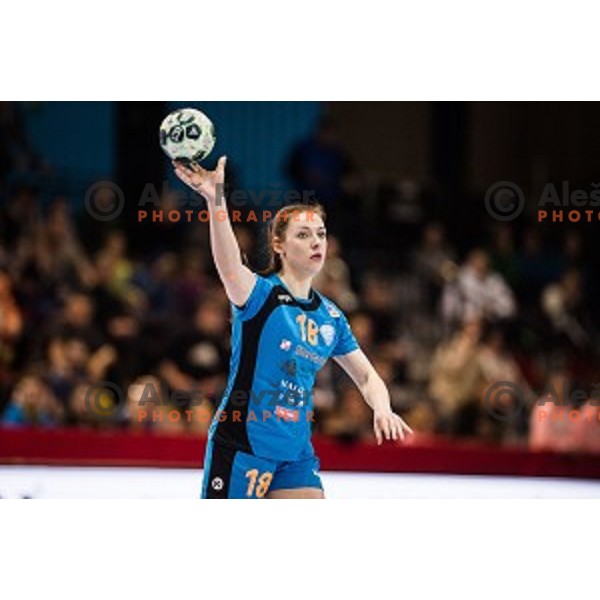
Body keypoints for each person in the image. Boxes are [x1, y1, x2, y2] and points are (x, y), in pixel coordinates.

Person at [173, 157, 413, 499]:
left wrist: (383, 407)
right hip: (242, 445)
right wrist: (216, 200)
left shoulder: (331, 317)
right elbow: (228, 265)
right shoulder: (259, 295)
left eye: (321, 234)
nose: (317, 242)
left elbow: (366, 377)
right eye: (303, 234)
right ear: (278, 245)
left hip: (295, 453)